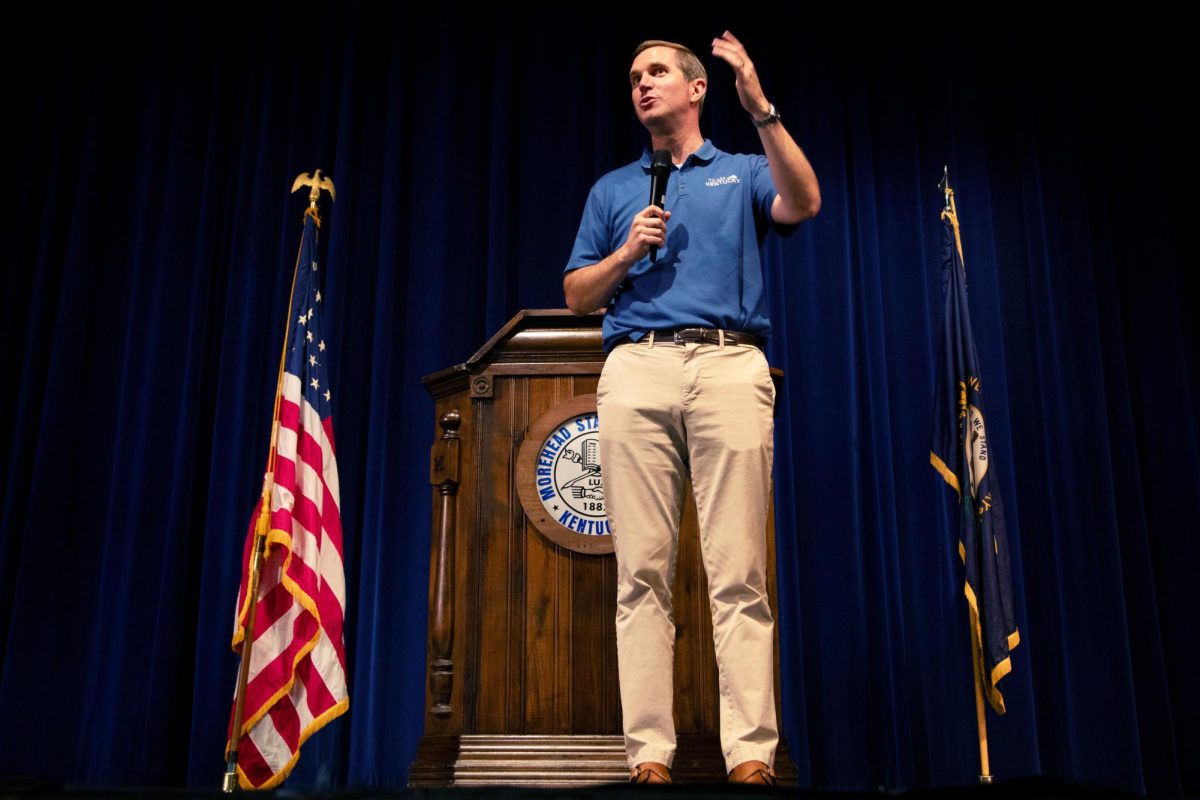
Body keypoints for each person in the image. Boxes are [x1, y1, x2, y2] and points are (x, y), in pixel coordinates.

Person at [563, 33, 819, 785]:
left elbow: (804, 202)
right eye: (634, 76)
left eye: (657, 72)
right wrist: (623, 256)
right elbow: (578, 294)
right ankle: (648, 754)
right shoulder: (614, 189)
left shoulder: (739, 171)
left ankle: (750, 754)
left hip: (728, 363)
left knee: (738, 574)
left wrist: (763, 110)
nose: (642, 84)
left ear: (697, 88)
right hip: (637, 367)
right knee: (640, 572)